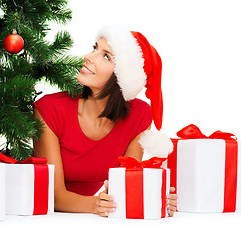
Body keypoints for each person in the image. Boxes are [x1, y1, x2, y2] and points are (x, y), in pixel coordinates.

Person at [33, 25, 177, 217]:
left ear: (124, 77)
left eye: (106, 56)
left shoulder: (139, 116)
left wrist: (156, 197)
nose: (88, 57)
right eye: (95, 48)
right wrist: (95, 205)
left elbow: (126, 186)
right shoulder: (50, 109)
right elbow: (52, 195)